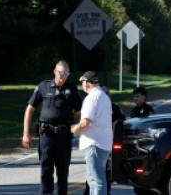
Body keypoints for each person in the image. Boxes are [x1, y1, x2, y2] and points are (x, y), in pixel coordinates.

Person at [22, 60, 82, 195]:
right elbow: (30, 109)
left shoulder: (72, 90)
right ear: (55, 72)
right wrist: (26, 133)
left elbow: (78, 112)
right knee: (46, 169)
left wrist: (75, 125)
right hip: (46, 135)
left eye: (66, 73)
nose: (64, 75)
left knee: (63, 171)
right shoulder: (43, 86)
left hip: (64, 135)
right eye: (61, 72)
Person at [72, 72, 113, 195]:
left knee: (96, 179)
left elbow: (85, 122)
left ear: (87, 83)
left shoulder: (92, 98)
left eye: (83, 82)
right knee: (93, 179)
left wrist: (75, 129)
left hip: (94, 143)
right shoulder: (104, 96)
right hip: (103, 143)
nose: (82, 85)